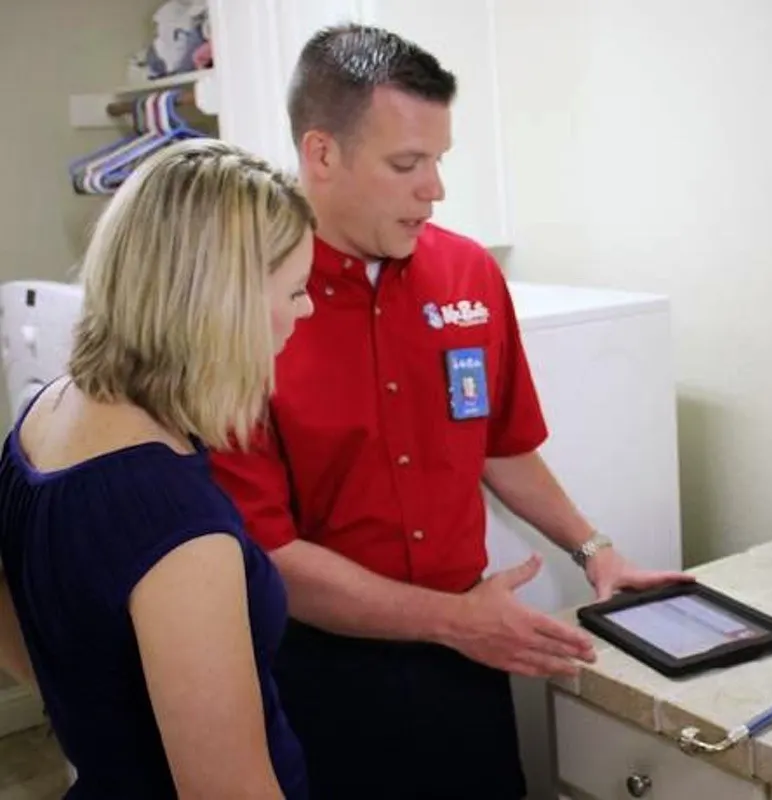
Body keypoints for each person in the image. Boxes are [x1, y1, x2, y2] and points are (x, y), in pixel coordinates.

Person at [207, 23, 691, 799]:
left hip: (466, 660)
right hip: (319, 669)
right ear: (321, 155)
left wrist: (594, 549)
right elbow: (267, 550)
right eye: (407, 164)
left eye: (439, 160)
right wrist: (451, 619)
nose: (434, 187)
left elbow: (499, 443)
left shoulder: (465, 271)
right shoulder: (248, 307)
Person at [0, 137, 316, 799]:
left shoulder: (42, 416)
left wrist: (97, 716)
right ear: (223, 305)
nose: (305, 310)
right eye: (295, 290)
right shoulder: (175, 521)